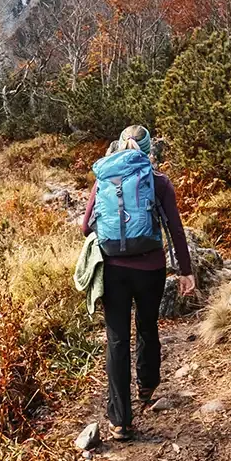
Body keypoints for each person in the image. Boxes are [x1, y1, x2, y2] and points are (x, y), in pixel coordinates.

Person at [84, 125, 195, 441]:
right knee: (147, 325)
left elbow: (84, 226)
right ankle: (147, 384)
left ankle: (120, 421)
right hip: (151, 268)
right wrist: (186, 270)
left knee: (117, 340)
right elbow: (175, 229)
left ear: (118, 146)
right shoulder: (158, 182)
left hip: (113, 270)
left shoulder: (104, 177)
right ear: (150, 150)